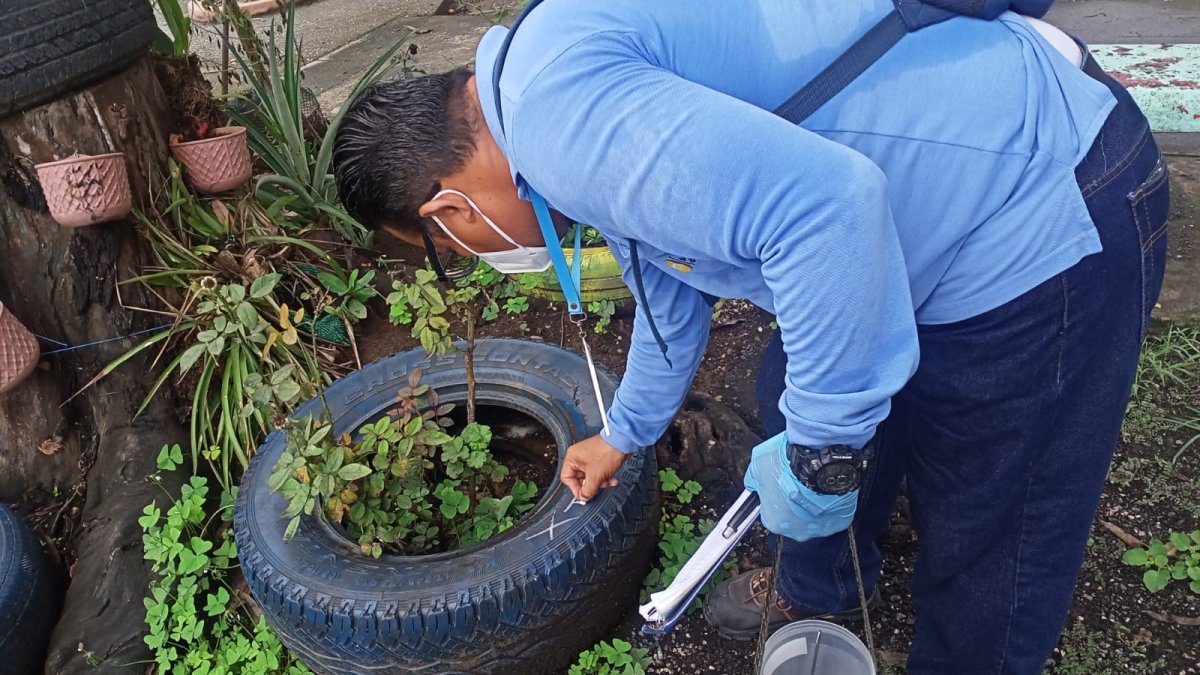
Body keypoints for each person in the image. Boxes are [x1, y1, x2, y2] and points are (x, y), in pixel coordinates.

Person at [331, 1, 1170, 672]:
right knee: (788, 391)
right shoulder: (533, 83)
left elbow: (829, 210)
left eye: (450, 252)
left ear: (447, 209)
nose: (477, 256)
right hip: (925, 211)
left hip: (1036, 193)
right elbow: (669, 277)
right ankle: (823, 588)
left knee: (999, 518)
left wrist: (823, 448)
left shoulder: (562, 126)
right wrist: (624, 433)